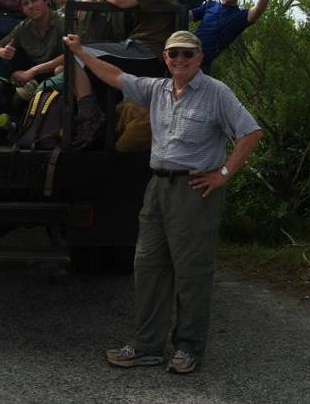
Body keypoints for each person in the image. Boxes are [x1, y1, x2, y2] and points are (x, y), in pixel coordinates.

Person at [63, 29, 263, 373]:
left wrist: (224, 174)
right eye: (173, 54)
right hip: (157, 188)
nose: (180, 60)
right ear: (165, 60)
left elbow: (251, 132)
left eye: (187, 54)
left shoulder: (216, 93)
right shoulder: (157, 89)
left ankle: (188, 349)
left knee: (191, 273)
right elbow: (114, 75)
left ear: (199, 59)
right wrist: (80, 52)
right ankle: (147, 347)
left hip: (195, 190)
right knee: (148, 267)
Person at [68, 0, 178, 144]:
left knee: (76, 54)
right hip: (136, 47)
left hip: (148, 52)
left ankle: (90, 117)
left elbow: (121, 0)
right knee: (75, 55)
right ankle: (97, 118)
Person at [191, 0, 276, 68]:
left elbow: (258, 9)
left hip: (199, 67)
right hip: (180, 55)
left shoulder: (241, 16)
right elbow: (185, 16)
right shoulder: (210, 5)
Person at [0, 0, 65, 87]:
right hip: (36, 80)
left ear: (46, 0)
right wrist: (1, 51)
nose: (31, 6)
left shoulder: (62, 21)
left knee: (60, 70)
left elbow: (73, 54)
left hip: (59, 77)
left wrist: (33, 71)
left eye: (34, 0)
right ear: (23, 10)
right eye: (26, 4)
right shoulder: (23, 28)